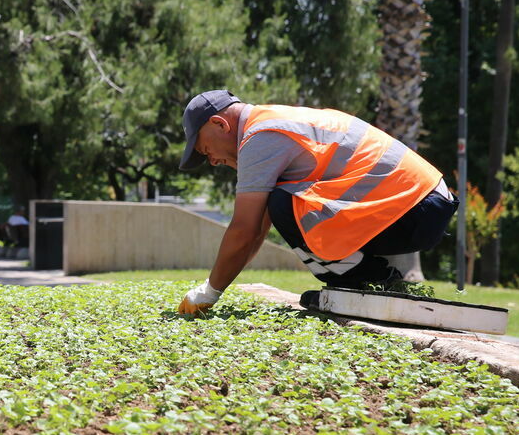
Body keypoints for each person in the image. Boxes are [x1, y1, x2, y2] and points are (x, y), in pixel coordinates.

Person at [175, 89, 457, 316]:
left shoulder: (259, 136)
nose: (212, 160)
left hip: (415, 208)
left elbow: (244, 229)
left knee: (285, 202)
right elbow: (256, 231)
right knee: (283, 200)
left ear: (219, 124)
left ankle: (362, 280)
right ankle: (367, 277)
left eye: (205, 149)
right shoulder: (271, 121)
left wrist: (210, 292)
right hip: (425, 205)